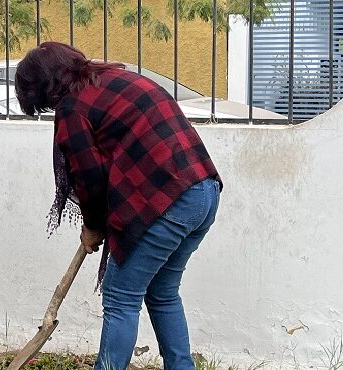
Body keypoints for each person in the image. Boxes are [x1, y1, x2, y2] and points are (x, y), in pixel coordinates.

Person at [14, 42, 222, 370]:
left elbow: (90, 178)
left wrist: (92, 226)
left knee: (120, 295)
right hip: (204, 192)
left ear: (44, 86)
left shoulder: (74, 107)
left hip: (166, 200)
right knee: (163, 292)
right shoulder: (118, 79)